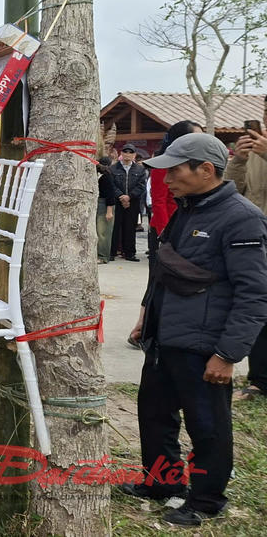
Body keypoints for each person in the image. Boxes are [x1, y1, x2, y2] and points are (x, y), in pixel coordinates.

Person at [122, 133, 267, 527]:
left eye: (174, 171)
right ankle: (161, 483)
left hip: (204, 345)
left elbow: (254, 295)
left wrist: (227, 354)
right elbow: (166, 270)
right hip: (165, 335)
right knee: (154, 414)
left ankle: (205, 500)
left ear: (206, 170)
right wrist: (144, 318)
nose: (166, 180)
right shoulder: (188, 209)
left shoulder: (242, 218)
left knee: (207, 426)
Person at [228, 113, 267, 399]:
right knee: (258, 308)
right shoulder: (255, 151)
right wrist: (239, 160)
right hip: (258, 240)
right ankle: (259, 381)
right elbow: (231, 191)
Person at [149, 122, 205, 264]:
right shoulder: (163, 166)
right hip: (167, 228)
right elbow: (159, 202)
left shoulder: (197, 166)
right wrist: (166, 235)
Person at [110, 143, 148, 262]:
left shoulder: (140, 169)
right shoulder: (113, 168)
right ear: (121, 154)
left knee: (130, 228)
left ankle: (130, 253)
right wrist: (121, 196)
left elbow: (141, 186)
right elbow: (112, 185)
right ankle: (112, 252)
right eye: (125, 152)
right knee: (115, 228)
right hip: (117, 201)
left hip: (133, 202)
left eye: (130, 152)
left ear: (134, 155)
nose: (128, 154)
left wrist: (129, 197)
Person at [96, 157, 118, 264]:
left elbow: (111, 195)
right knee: (99, 231)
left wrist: (109, 211)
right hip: (99, 203)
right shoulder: (99, 176)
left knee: (103, 232)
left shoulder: (107, 176)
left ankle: (103, 256)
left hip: (105, 205)